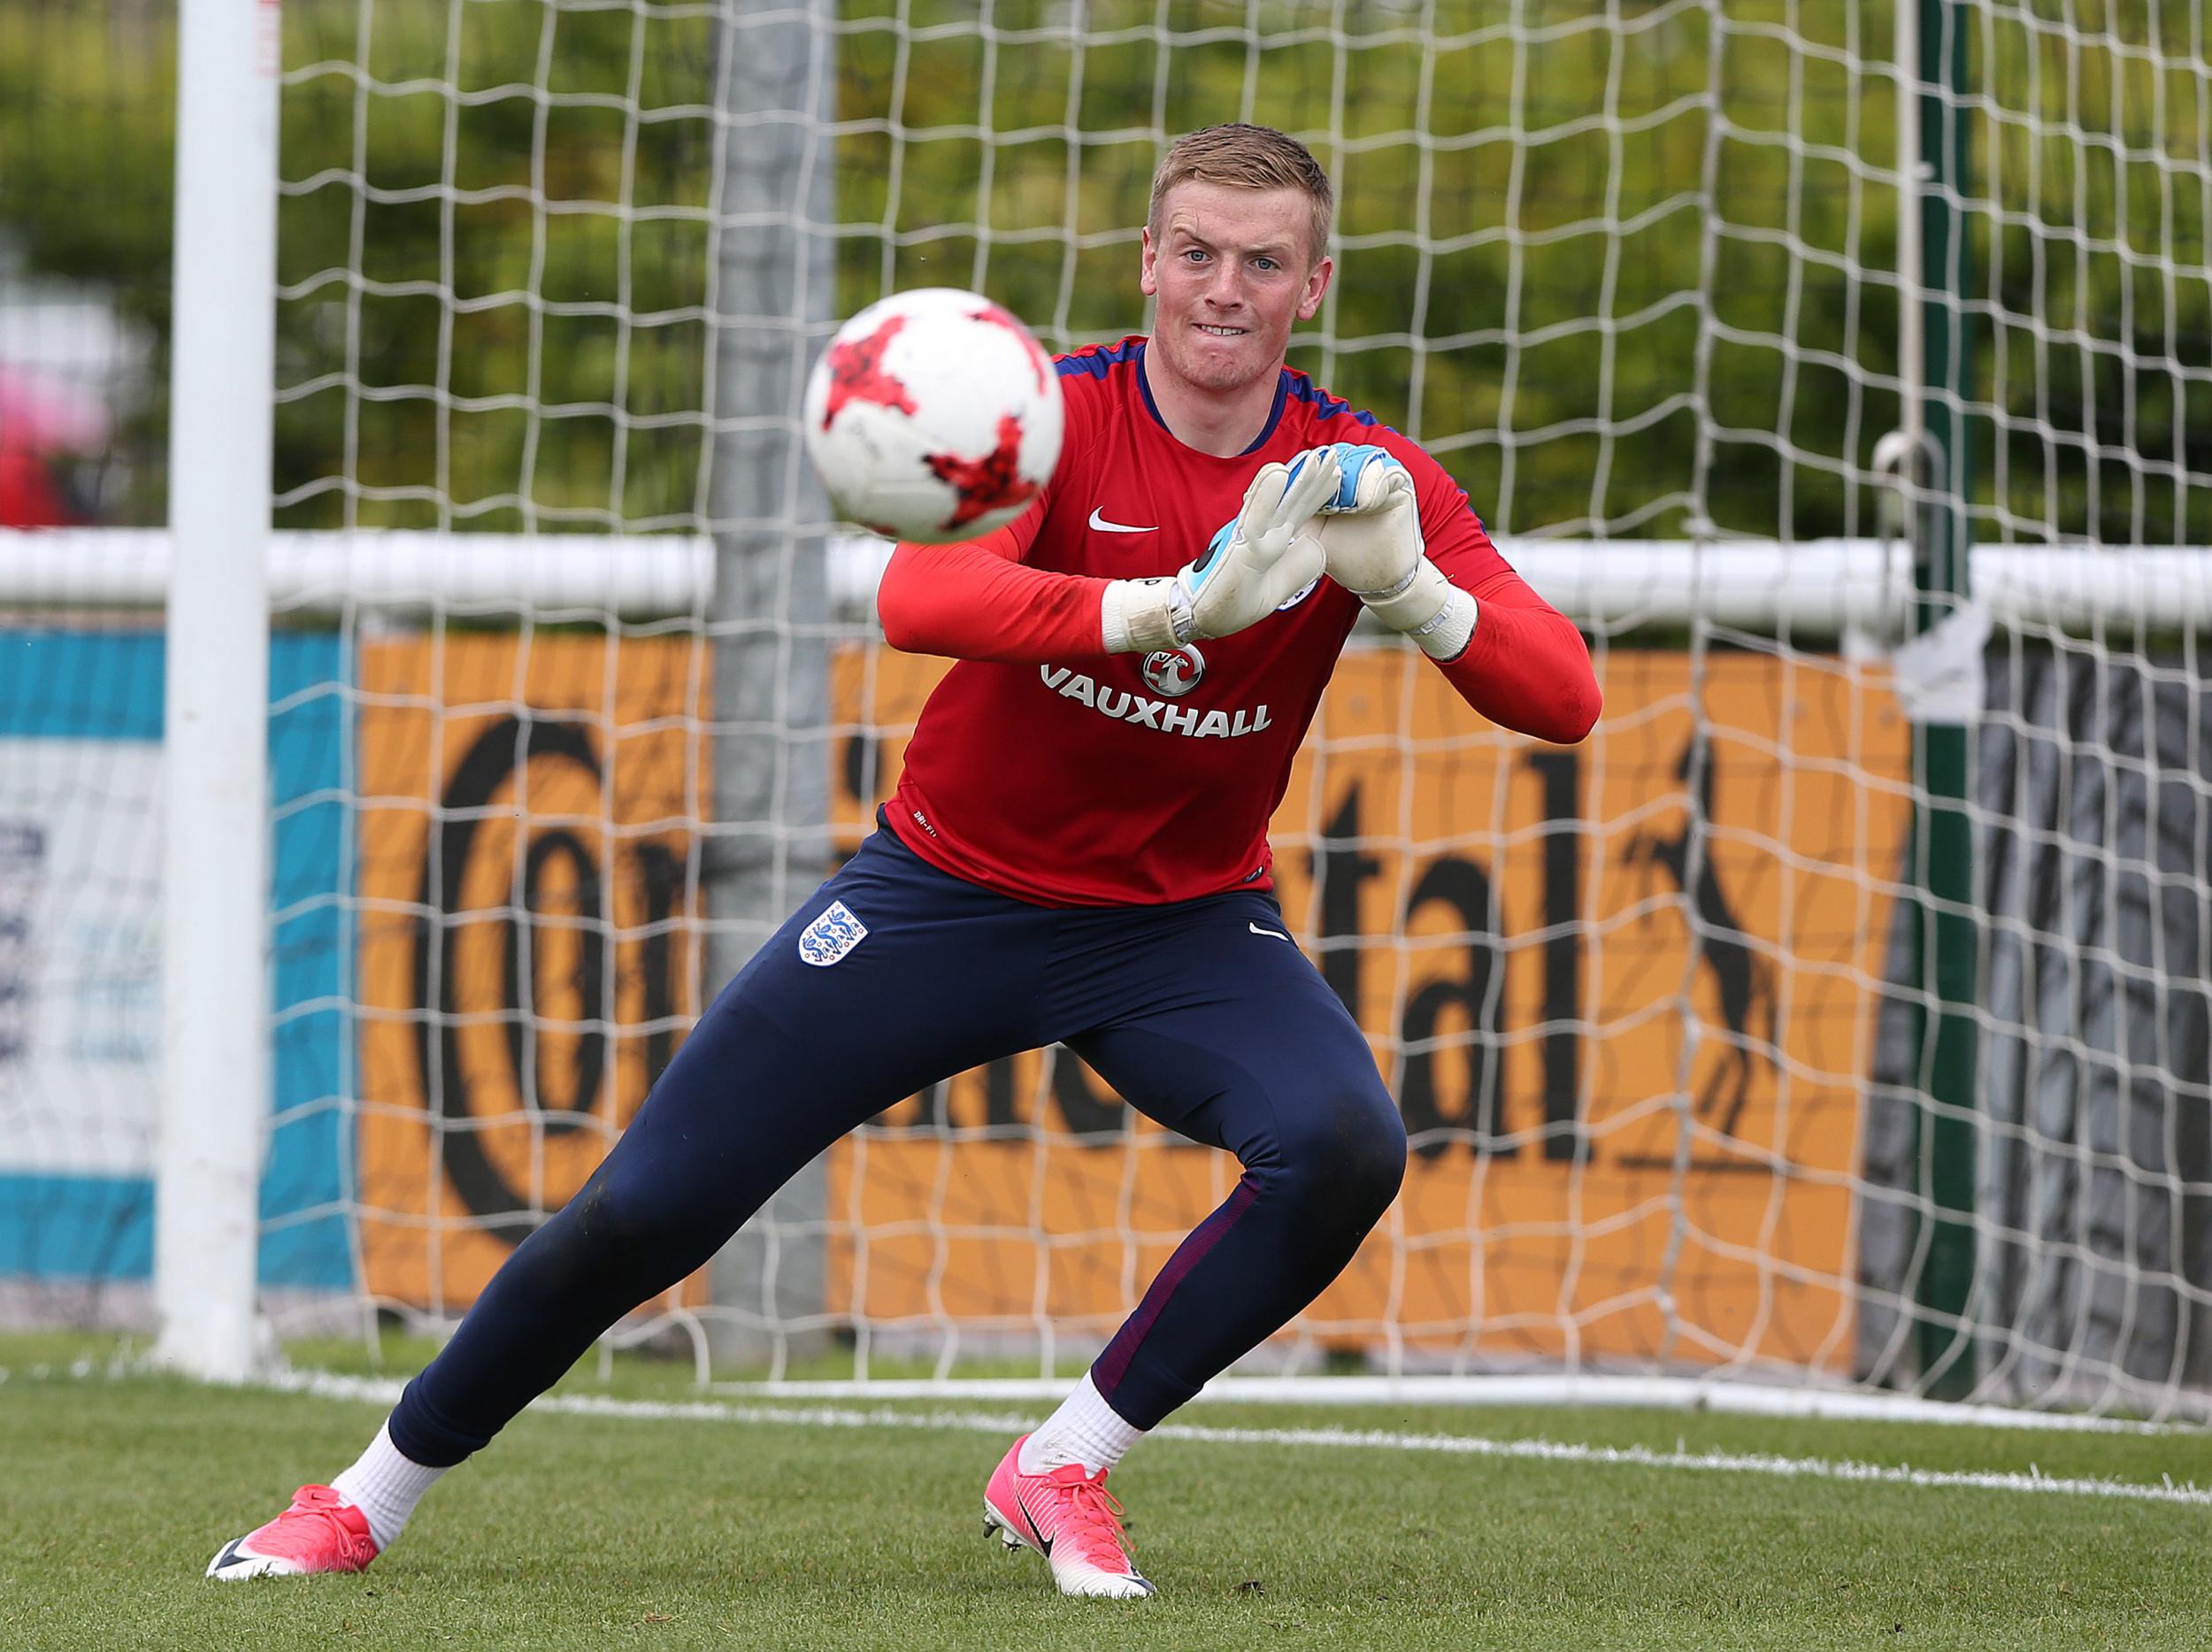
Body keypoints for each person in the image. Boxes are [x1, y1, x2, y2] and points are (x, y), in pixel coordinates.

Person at [207, 123, 1600, 1600]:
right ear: (1147, 260)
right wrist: (1166, 608)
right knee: (648, 1209)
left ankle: (1064, 1463)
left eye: (1263, 263)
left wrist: (1418, 591)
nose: (1223, 289)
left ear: (1312, 285)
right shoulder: (1049, 418)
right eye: (1196, 252)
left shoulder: (1360, 477)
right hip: (946, 896)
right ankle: (361, 1501)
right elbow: (919, 598)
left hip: (1180, 927)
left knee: (1343, 1145)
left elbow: (1565, 697)